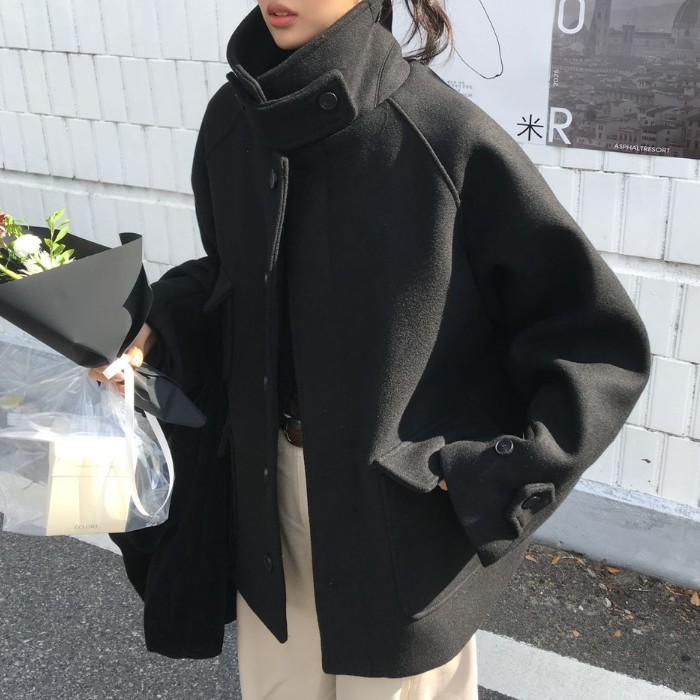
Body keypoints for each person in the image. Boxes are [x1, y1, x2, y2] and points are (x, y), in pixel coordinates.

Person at [92, 0, 652, 698]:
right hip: (268, 501)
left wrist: (486, 475)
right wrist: (155, 325)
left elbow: (594, 339)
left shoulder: (443, 137)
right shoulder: (234, 122)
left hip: (400, 526)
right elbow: (234, 276)